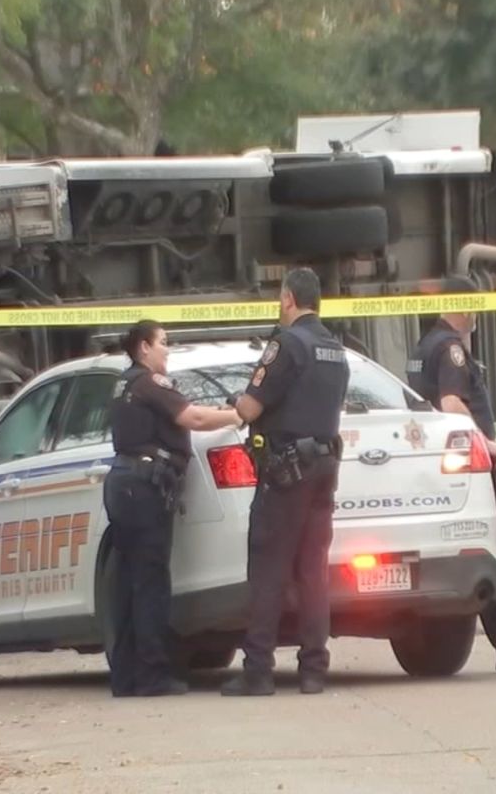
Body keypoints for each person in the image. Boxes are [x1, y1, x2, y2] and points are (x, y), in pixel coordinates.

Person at [406, 275, 496, 675]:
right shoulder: (450, 349)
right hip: (471, 464)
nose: (479, 314)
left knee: (488, 549)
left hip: (441, 466)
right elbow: (451, 402)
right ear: (462, 306)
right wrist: (489, 441)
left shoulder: (423, 346)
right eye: (475, 306)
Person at [222, 268, 350, 697]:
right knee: (313, 569)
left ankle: (258, 670)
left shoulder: (287, 344)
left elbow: (251, 409)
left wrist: (236, 402)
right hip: (325, 468)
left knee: (269, 568)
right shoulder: (336, 349)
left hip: (286, 470)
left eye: (281, 298)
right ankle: (314, 669)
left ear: (289, 298)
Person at [106, 320, 243, 697]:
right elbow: (192, 419)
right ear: (144, 348)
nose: (168, 349)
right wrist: (238, 415)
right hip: (144, 488)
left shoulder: (124, 383)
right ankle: (152, 676)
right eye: (163, 343)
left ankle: (126, 676)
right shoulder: (151, 383)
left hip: (125, 485)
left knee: (128, 585)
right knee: (150, 583)